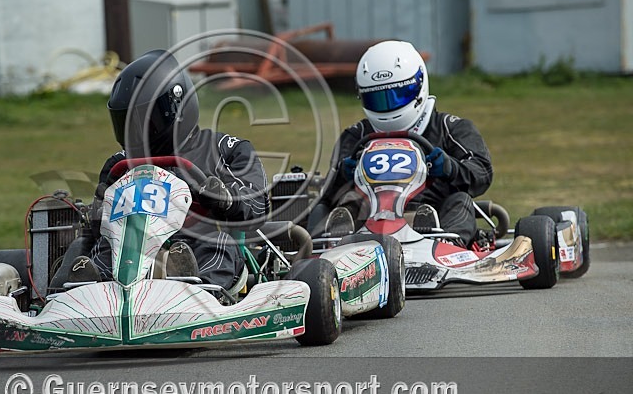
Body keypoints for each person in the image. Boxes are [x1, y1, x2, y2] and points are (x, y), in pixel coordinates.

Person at [86, 49, 269, 290]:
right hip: (131, 249)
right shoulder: (118, 165)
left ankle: (199, 290)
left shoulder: (225, 149)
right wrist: (94, 213)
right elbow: (101, 228)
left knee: (217, 242)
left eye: (145, 121)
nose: (137, 131)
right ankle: (82, 290)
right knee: (102, 249)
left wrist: (225, 198)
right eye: (127, 122)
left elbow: (259, 203)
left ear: (177, 109)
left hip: (198, 242)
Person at [308, 40, 493, 249]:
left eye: (397, 96)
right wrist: (343, 173)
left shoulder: (450, 128)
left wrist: (451, 168)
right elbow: (327, 193)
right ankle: (331, 243)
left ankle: (446, 245)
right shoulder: (355, 135)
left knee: (460, 199)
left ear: (418, 85)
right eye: (378, 99)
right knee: (343, 201)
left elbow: (482, 173)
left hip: (432, 212)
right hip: (368, 220)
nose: (387, 106)